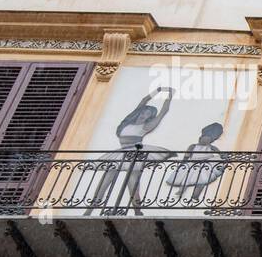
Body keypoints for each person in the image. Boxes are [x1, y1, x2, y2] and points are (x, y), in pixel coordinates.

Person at [85, 87, 175, 216]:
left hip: (134, 152)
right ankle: (90, 210)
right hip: (120, 152)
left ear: (150, 118)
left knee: (133, 182)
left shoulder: (146, 126)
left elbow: (163, 112)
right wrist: (158, 90)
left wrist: (170, 95)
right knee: (105, 180)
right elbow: (144, 100)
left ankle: (137, 211)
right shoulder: (128, 122)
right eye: (144, 112)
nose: (144, 115)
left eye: (148, 115)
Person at [165, 122, 226, 205]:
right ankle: (181, 190)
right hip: (192, 164)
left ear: (211, 140)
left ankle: (195, 195)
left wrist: (223, 156)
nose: (206, 140)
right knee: (186, 177)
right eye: (204, 138)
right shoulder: (193, 146)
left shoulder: (212, 147)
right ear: (200, 138)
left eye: (209, 139)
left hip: (205, 166)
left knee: (202, 181)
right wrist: (183, 162)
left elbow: (220, 154)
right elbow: (187, 155)